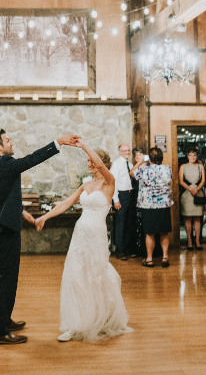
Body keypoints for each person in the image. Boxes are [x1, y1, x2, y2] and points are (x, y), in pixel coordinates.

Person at [0, 129, 78, 345]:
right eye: (7, 140)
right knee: (6, 279)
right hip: (5, 230)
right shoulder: (6, 164)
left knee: (0, 277)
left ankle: (4, 319)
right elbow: (31, 160)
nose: (11, 143)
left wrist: (24, 214)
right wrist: (58, 142)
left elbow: (2, 199)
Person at [36, 140, 132, 343]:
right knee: (75, 276)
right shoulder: (86, 184)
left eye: (91, 161)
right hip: (80, 235)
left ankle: (102, 318)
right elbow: (66, 203)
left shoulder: (109, 182)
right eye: (87, 161)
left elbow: (102, 167)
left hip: (96, 235)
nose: (88, 164)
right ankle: (74, 324)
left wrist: (84, 146)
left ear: (99, 162)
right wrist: (44, 218)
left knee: (96, 274)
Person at [135, 147, 173, 267]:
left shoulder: (143, 170)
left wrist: (140, 161)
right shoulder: (167, 169)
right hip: (164, 204)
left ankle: (149, 259)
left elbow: (132, 172)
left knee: (150, 233)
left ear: (149, 158)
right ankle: (165, 258)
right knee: (164, 232)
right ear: (161, 158)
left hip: (148, 205)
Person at [110, 144, 135, 260]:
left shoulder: (130, 165)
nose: (127, 152)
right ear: (120, 152)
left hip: (130, 194)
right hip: (121, 194)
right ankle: (119, 250)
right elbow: (113, 182)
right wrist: (116, 199)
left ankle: (126, 248)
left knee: (129, 222)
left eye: (128, 150)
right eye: (124, 150)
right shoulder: (116, 164)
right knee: (120, 223)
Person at [179, 146, 206, 250]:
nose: (192, 157)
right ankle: (189, 241)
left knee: (198, 218)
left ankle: (198, 241)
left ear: (197, 156)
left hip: (198, 192)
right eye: (190, 155)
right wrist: (191, 189)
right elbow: (181, 181)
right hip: (187, 193)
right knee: (188, 217)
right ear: (187, 156)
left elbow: (203, 180)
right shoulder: (183, 166)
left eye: (194, 155)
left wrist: (197, 188)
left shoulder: (200, 166)